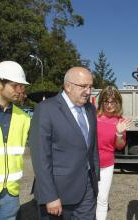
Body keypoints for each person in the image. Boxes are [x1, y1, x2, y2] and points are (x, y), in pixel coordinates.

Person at [29, 67, 100, 219]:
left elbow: (91, 147)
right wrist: (49, 196)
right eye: (83, 86)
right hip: (59, 192)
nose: (88, 91)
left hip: (87, 189)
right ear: (68, 86)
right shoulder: (46, 109)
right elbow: (41, 157)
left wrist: (95, 179)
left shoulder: (90, 109)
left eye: (90, 86)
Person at [0, 61, 30, 220]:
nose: (20, 91)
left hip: (10, 196)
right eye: (16, 86)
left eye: (22, 86)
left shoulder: (24, 118)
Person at [96, 86, 132, 220]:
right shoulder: (94, 117)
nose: (109, 105)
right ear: (101, 102)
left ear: (118, 103)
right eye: (106, 101)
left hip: (107, 165)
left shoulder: (121, 121)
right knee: (87, 197)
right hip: (89, 163)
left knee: (102, 198)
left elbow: (119, 146)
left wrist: (119, 133)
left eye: (113, 102)